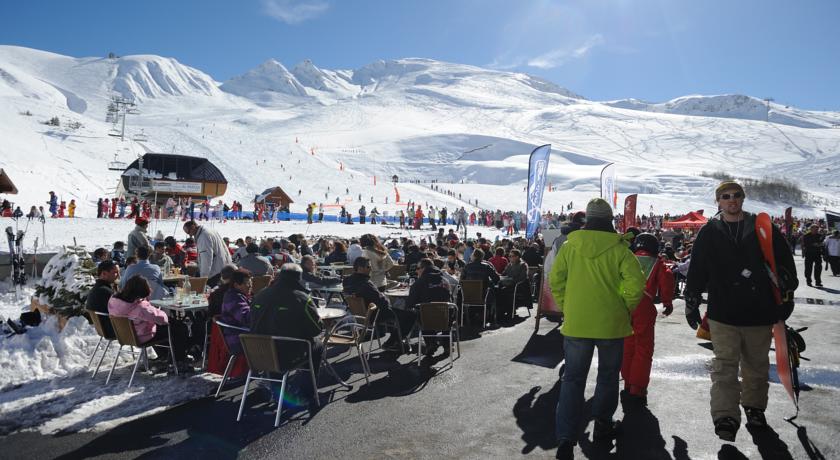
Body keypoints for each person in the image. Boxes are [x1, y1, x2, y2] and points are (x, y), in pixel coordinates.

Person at [685, 181, 797, 442]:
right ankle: (725, 416)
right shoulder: (710, 231)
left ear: (743, 199)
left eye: (736, 196)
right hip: (723, 311)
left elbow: (785, 264)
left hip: (760, 310)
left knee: (756, 366)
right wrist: (691, 299)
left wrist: (786, 292)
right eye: (726, 197)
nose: (731, 200)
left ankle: (754, 408)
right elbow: (698, 268)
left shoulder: (762, 227)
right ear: (718, 202)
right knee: (724, 366)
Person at [549, 198, 645, 458]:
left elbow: (555, 279)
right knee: (608, 376)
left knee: (572, 379)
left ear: (587, 219)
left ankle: (566, 438)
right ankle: (603, 425)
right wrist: (624, 307)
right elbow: (636, 285)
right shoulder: (620, 249)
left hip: (577, 323)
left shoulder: (570, 247)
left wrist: (568, 306)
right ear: (610, 220)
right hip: (611, 325)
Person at [251, 264, 324, 396]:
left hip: (258, 353)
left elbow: (251, 321)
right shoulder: (301, 298)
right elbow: (316, 329)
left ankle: (276, 386)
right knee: (317, 345)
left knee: (278, 340)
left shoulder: (260, 294)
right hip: (286, 355)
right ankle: (308, 391)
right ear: (299, 278)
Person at [620, 233, 675, 409]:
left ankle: (627, 383)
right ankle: (637, 388)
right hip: (644, 306)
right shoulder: (657, 262)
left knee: (627, 346)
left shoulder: (626, 258)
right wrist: (667, 302)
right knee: (643, 348)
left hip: (623, 305)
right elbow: (667, 280)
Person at [108, 275, 187, 364]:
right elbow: (163, 319)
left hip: (126, 334)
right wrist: (153, 308)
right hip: (142, 336)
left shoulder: (114, 300)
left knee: (160, 326)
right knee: (178, 327)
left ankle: (164, 355)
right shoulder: (140, 307)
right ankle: (178, 360)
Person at [342, 256, 407, 352]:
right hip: (374, 315)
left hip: (359, 315)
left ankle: (395, 339)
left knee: (399, 313)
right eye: (368, 267)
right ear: (360, 268)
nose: (370, 269)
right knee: (408, 315)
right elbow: (383, 302)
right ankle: (393, 342)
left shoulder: (346, 281)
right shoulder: (365, 283)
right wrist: (389, 301)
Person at [406, 258, 453, 357]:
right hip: (446, 318)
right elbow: (451, 298)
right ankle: (446, 343)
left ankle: (430, 343)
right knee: (446, 310)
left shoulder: (418, 283)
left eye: (418, 268)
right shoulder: (445, 280)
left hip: (427, 319)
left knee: (420, 312)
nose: (416, 271)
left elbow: (410, 303)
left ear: (423, 268)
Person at [183, 220, 232, 287]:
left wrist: (203, 278)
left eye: (189, 232)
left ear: (193, 227)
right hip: (222, 267)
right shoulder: (210, 230)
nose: (190, 235)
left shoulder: (203, 237)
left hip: (214, 272)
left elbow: (206, 259)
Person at [220, 269, 252, 354]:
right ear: (236, 285)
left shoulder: (241, 296)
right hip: (238, 339)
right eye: (247, 283)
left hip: (244, 334)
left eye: (251, 283)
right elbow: (245, 317)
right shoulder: (233, 298)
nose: (250, 286)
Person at [85, 260, 119, 337]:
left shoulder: (98, 288)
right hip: (114, 331)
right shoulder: (105, 291)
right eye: (114, 272)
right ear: (104, 273)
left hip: (104, 330)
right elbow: (122, 310)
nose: (117, 275)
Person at [497, 249, 529, 322]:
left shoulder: (523, 265)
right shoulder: (509, 265)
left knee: (504, 290)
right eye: (509, 256)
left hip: (519, 286)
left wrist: (511, 280)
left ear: (517, 257)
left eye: (512, 256)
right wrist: (499, 275)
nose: (510, 258)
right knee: (497, 289)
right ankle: (500, 310)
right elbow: (504, 274)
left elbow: (522, 278)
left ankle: (508, 311)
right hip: (509, 284)